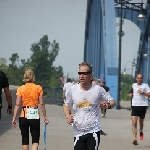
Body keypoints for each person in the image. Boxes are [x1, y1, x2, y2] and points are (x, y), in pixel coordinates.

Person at [63, 62, 116, 150]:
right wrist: (68, 115)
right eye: (80, 73)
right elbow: (66, 105)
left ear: (90, 75)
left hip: (93, 130)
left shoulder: (98, 89)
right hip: (78, 131)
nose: (82, 76)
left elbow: (113, 101)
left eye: (84, 73)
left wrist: (108, 105)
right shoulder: (73, 90)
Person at [12, 68, 49, 150]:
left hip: (23, 115)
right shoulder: (38, 88)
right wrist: (45, 117)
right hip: (34, 115)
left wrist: (14, 118)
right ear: (33, 76)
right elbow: (41, 103)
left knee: (25, 140)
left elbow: (17, 104)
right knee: (35, 140)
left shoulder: (20, 89)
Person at [131, 73, 150, 146]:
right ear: (136, 78)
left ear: (142, 79)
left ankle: (141, 131)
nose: (139, 79)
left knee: (141, 122)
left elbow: (149, 94)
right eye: (138, 78)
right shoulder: (133, 85)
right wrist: (130, 94)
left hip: (143, 105)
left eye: (140, 78)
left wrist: (143, 93)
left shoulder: (145, 86)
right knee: (134, 122)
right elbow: (131, 92)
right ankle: (134, 138)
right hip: (135, 105)